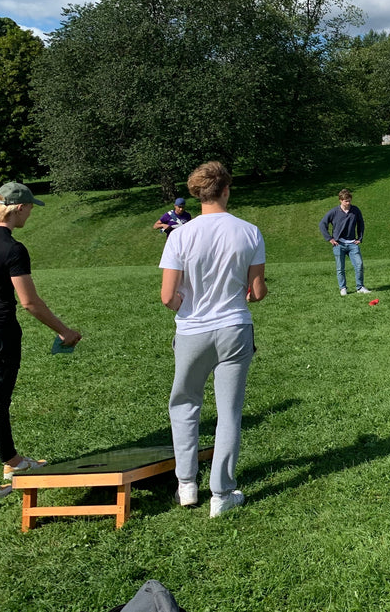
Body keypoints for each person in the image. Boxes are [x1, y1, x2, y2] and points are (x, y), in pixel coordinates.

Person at [0, 182, 82, 509]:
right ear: (19, 208)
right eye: (29, 208)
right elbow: (29, 302)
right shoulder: (13, 248)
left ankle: (12, 460)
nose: (29, 214)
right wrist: (65, 331)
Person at [160, 162, 267, 517]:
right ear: (225, 190)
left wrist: (184, 304)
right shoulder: (249, 232)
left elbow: (167, 296)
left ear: (198, 193)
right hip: (234, 327)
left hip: (192, 331)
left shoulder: (180, 235)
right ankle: (221, 493)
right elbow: (257, 292)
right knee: (229, 413)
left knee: (185, 405)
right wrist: (252, 292)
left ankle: (187, 484)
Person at [319, 188, 369, 296]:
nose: (348, 203)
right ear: (340, 200)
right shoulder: (334, 212)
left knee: (359, 265)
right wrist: (330, 239)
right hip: (339, 244)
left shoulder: (355, 210)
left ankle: (360, 287)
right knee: (340, 268)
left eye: (349, 200)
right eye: (346, 201)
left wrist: (359, 238)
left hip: (352, 244)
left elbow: (361, 224)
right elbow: (322, 224)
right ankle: (343, 288)